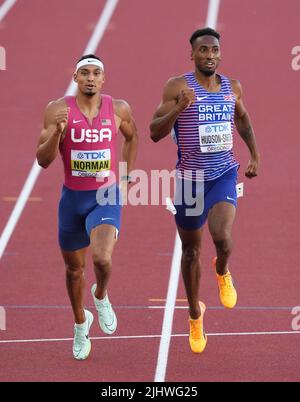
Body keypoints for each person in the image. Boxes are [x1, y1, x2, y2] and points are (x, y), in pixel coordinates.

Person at [150, 28, 260, 353]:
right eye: (203, 51)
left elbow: (244, 121)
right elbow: (155, 132)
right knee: (191, 252)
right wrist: (178, 109)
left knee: (222, 237)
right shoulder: (178, 87)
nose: (209, 55)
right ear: (192, 55)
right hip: (189, 181)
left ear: (220, 54)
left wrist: (254, 155)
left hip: (224, 174)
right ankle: (195, 313)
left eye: (214, 50)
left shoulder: (233, 87)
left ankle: (222, 269)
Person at [36, 54, 138, 360]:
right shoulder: (56, 109)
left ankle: (101, 294)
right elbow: (42, 160)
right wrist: (56, 133)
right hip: (72, 200)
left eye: (96, 73)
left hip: (105, 195)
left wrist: (128, 173)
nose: (90, 78)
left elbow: (132, 138)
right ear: (76, 78)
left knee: (102, 259)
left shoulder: (118, 108)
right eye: (85, 73)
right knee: (73, 269)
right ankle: (81, 324)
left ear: (103, 79)